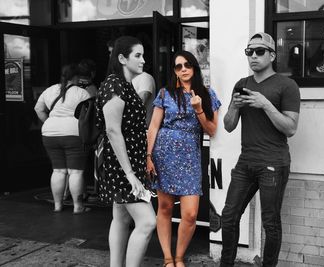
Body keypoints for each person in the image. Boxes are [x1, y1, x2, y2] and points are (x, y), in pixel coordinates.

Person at [220, 32, 301, 267]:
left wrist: (266, 104)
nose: (253, 56)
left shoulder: (287, 85)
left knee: (270, 223)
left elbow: (291, 128)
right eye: (249, 52)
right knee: (229, 216)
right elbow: (228, 126)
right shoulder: (242, 84)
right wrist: (234, 108)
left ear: (272, 55)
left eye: (259, 51)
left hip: (273, 163)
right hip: (246, 162)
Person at [147, 50, 221, 267]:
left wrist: (198, 109)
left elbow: (212, 130)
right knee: (165, 208)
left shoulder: (207, 94)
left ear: (194, 67)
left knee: (189, 214)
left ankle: (179, 256)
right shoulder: (164, 93)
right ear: (174, 71)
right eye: (178, 66)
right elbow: (153, 127)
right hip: (163, 154)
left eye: (187, 65)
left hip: (190, 157)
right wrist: (148, 156)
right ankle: (168, 258)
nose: (183, 69)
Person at [95, 36, 156, 267]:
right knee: (147, 222)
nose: (143, 60)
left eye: (142, 55)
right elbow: (112, 130)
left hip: (127, 163)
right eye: (137, 55)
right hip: (122, 166)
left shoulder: (125, 84)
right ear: (122, 58)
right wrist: (130, 174)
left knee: (120, 218)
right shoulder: (114, 84)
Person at [34, 63, 91, 214]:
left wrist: (49, 122)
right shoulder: (82, 93)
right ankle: (78, 207)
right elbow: (89, 115)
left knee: (58, 171)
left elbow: (38, 109)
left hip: (50, 133)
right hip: (73, 133)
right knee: (75, 172)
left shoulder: (50, 90)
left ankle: (57, 205)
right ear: (77, 77)